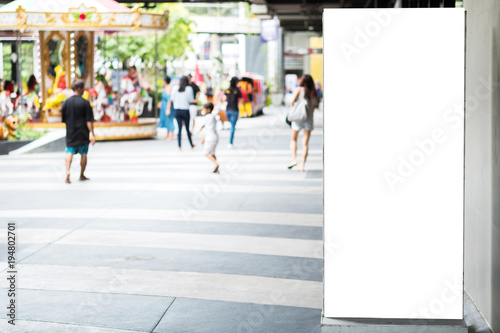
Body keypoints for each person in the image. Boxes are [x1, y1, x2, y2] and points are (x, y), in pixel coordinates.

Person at [61, 79, 95, 183]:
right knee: (83, 154)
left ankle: (67, 172)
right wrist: (92, 134)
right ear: (80, 89)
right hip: (83, 133)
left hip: (71, 132)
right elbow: (89, 121)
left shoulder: (66, 102)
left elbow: (64, 119)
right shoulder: (85, 103)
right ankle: (81, 174)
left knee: (69, 152)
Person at [288, 74, 319, 172]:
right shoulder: (315, 93)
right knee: (305, 144)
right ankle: (302, 166)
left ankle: (294, 160)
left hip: (298, 119)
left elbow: (291, 102)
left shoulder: (299, 90)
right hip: (308, 119)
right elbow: (314, 107)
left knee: (293, 140)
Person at [168, 76, 195, 151]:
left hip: (177, 110)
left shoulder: (175, 88)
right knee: (187, 128)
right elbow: (191, 100)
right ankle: (191, 144)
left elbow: (172, 99)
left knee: (179, 129)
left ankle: (179, 146)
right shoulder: (189, 89)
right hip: (185, 110)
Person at [222, 77, 242, 149]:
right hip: (234, 110)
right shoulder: (237, 91)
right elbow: (241, 101)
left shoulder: (227, 90)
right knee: (233, 127)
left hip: (227, 111)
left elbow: (224, 99)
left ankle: (230, 141)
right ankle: (230, 142)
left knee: (231, 125)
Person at [200, 102, 219, 173]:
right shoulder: (213, 116)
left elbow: (207, 129)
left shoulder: (207, 117)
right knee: (212, 153)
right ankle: (217, 169)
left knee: (206, 153)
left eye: (204, 109)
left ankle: (216, 163)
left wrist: (203, 138)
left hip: (210, 137)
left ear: (208, 110)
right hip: (215, 136)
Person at [158, 76, 175, 140]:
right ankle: (167, 134)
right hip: (164, 106)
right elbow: (164, 98)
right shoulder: (165, 88)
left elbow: (169, 100)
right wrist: (160, 103)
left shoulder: (169, 88)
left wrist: (168, 109)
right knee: (166, 120)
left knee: (169, 120)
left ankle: (171, 135)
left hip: (168, 106)